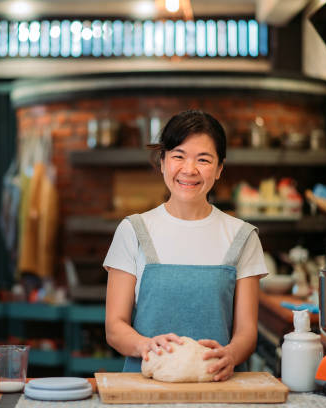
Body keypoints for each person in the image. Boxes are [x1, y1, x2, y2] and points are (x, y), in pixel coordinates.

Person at [103, 110, 267, 381]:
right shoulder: (133, 231)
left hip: (218, 388)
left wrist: (232, 354)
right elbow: (114, 327)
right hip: (145, 389)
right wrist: (145, 346)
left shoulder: (242, 236)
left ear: (219, 169)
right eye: (178, 156)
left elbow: (246, 333)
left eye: (203, 159)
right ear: (163, 161)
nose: (189, 170)